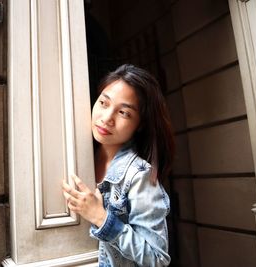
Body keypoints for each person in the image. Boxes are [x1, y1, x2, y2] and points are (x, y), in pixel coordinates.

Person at [62, 64, 174, 267]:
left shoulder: (139, 175)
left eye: (123, 113)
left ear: (140, 124)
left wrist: (101, 217)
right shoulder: (74, 154)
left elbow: (157, 258)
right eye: (104, 103)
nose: (107, 119)